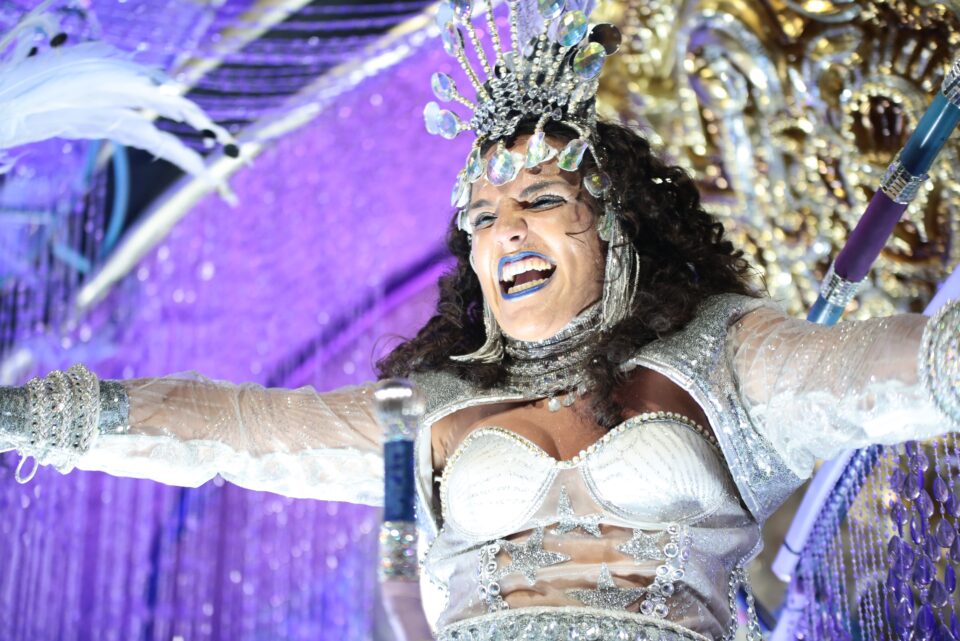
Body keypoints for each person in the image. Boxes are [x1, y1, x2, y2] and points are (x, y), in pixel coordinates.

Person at [1, 2, 958, 640]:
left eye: (540, 200)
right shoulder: (427, 410)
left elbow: (908, 368)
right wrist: (27, 416)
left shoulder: (728, 358)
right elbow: (236, 430)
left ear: (616, 225)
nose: (507, 234)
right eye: (484, 218)